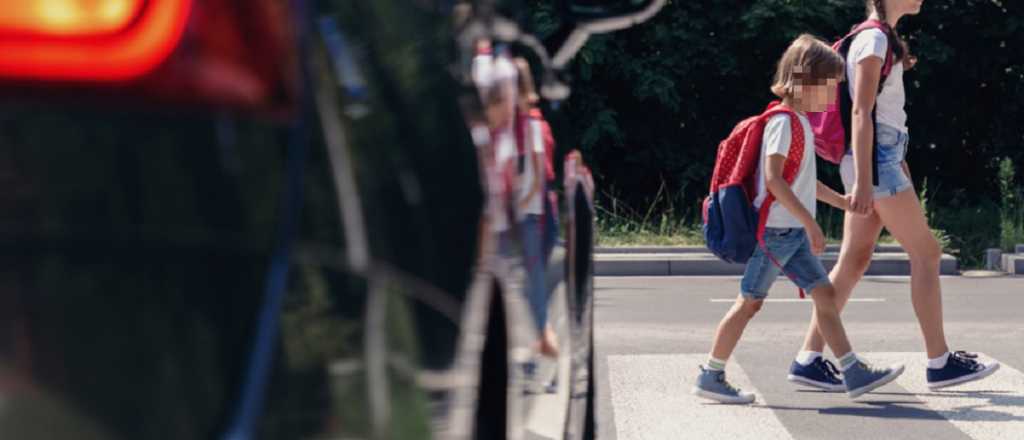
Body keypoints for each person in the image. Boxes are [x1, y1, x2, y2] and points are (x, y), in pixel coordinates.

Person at [789, 0, 1000, 392]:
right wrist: (867, 180)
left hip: (880, 158)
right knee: (927, 253)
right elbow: (861, 112)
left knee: (854, 260)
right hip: (875, 159)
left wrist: (884, 168)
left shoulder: (877, 38)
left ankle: (808, 358)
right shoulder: (872, 40)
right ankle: (939, 362)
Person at [693, 35, 903, 404]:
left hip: (787, 233)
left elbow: (803, 181)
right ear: (805, 80)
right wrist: (810, 223)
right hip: (775, 233)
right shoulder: (784, 122)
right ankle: (712, 374)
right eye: (830, 87)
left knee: (824, 294)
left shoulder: (800, 122)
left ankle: (852, 371)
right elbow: (774, 179)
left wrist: (842, 202)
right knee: (749, 304)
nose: (833, 97)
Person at [513, 57, 559, 357]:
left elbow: (537, 176)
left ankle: (542, 348)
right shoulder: (520, 124)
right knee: (529, 288)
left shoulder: (529, 126)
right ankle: (538, 347)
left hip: (529, 215)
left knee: (533, 289)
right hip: (525, 214)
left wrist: (516, 203)